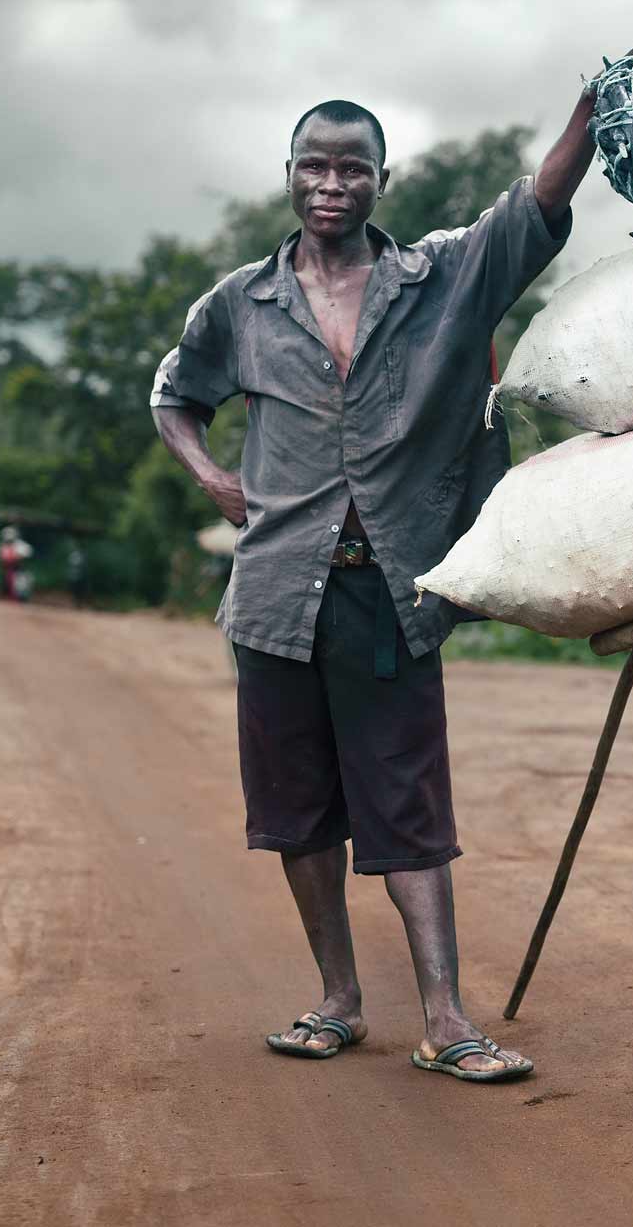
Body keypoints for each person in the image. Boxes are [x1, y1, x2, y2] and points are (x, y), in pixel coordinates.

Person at [150, 89, 595, 1081]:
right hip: (273, 597)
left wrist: (590, 114)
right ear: (290, 173)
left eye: (353, 167)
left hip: (386, 594)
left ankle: (444, 1019)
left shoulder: (438, 279)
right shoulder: (241, 305)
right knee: (297, 808)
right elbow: (175, 396)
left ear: (381, 182)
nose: (332, 183)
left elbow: (532, 211)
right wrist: (215, 476)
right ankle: (337, 1000)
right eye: (315, 164)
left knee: (409, 808)